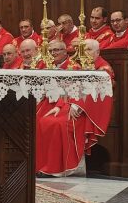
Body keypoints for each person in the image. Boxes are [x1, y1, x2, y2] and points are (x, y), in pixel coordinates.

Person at [34, 40, 89, 176]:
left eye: (57, 50)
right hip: (49, 102)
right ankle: (37, 165)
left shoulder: (74, 67)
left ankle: (56, 168)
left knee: (55, 124)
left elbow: (82, 90)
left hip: (68, 104)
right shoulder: (48, 66)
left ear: (65, 52)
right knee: (34, 120)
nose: (53, 53)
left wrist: (74, 106)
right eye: (51, 51)